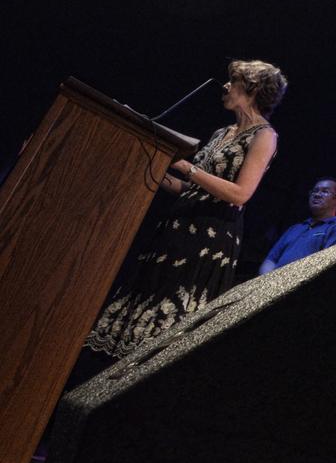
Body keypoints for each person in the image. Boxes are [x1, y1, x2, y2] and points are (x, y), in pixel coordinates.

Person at [85, 59, 286, 358]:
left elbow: (241, 194)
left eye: (234, 81)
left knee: (168, 317)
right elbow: (192, 187)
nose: (227, 86)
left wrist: (184, 166)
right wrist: (156, 161)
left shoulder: (264, 136)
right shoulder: (222, 132)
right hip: (177, 228)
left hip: (208, 237)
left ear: (252, 89)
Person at [258, 179, 336, 274]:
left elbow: (327, 265)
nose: (317, 195)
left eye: (325, 191)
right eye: (315, 191)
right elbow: (271, 260)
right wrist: (265, 282)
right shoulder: (295, 228)